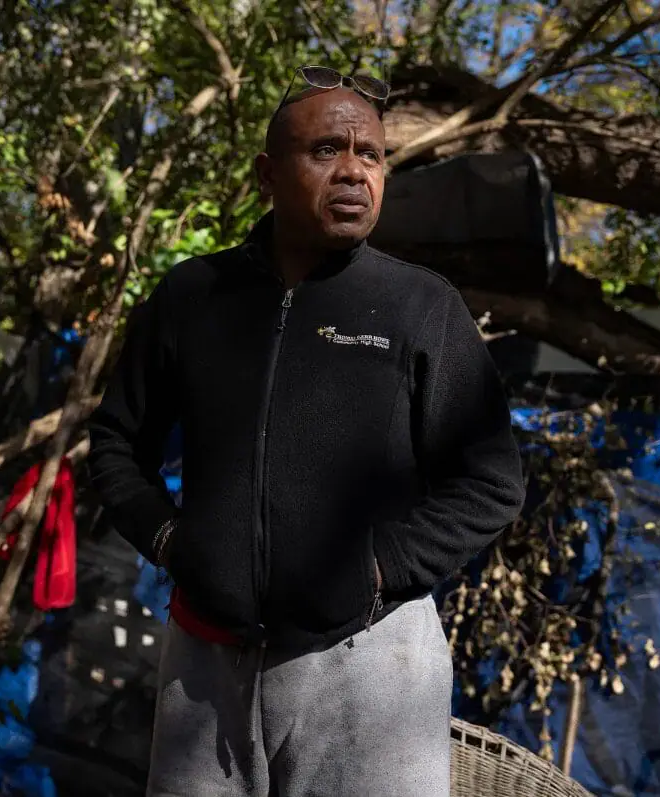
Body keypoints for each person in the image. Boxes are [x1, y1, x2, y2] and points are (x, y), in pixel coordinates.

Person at [86, 66, 526, 797]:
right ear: (267, 171)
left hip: (369, 664)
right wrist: (168, 540)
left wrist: (378, 567)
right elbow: (115, 444)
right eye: (326, 149)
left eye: (372, 155)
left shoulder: (419, 304)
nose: (354, 170)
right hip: (205, 668)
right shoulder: (193, 298)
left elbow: (490, 481)